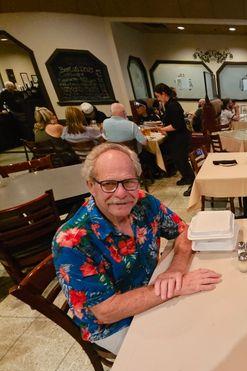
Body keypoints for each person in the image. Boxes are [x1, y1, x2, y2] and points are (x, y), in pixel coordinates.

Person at [52, 143, 222, 354]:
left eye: (129, 182)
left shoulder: (143, 202)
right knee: (186, 351)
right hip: (114, 326)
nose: (121, 193)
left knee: (213, 318)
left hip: (154, 289)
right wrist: (176, 288)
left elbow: (184, 231)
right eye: (109, 184)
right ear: (90, 186)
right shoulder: (72, 241)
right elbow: (106, 312)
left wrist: (176, 269)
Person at [154, 83, 195, 186]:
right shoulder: (170, 104)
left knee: (181, 159)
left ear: (163, 94)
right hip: (177, 137)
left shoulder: (172, 105)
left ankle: (190, 179)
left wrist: (162, 129)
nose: (158, 99)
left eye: (158, 96)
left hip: (179, 137)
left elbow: (176, 125)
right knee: (178, 159)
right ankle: (186, 177)